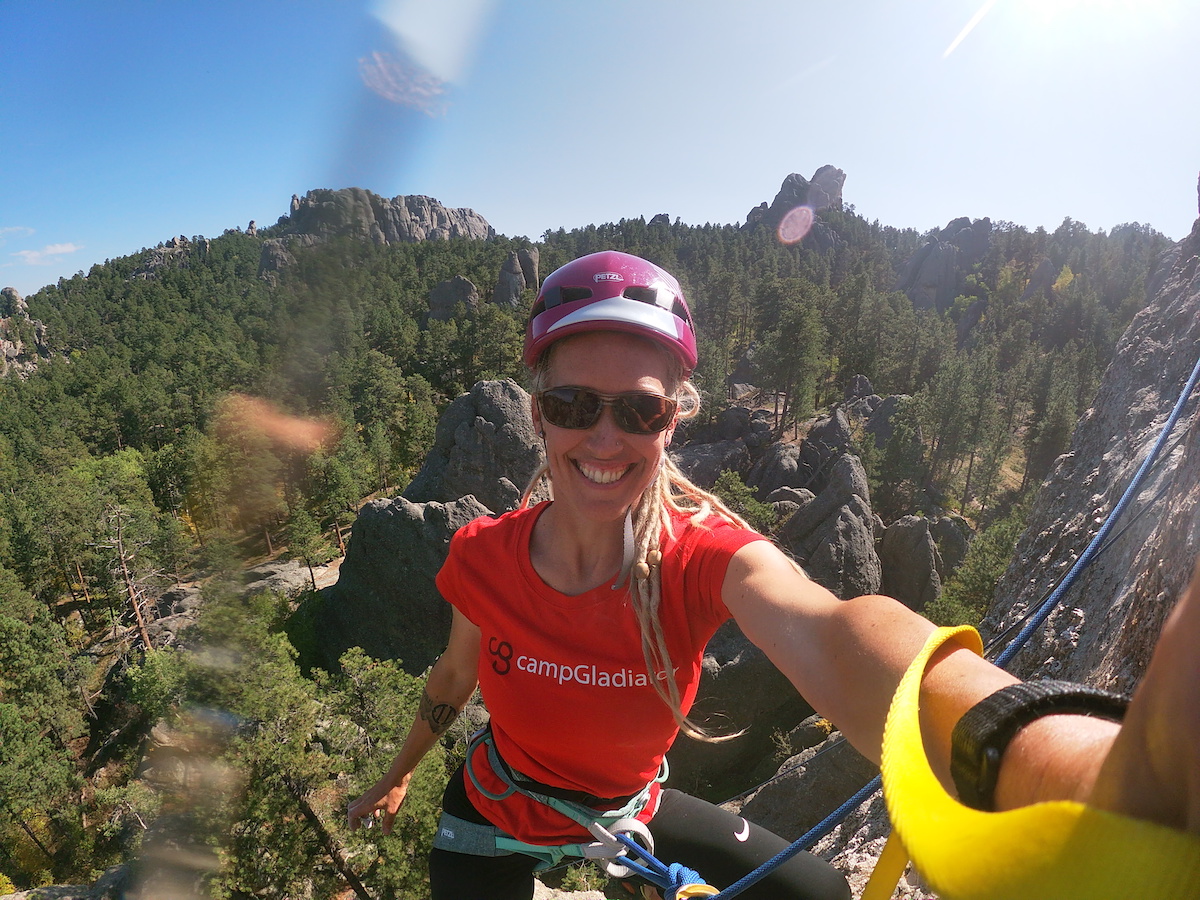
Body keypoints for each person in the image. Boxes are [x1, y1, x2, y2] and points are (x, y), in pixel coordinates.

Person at [348, 250, 1199, 899]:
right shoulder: (483, 556)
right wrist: (399, 772)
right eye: (574, 405)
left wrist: (1037, 754)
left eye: (641, 408)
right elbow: (453, 678)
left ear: (672, 422)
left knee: (817, 894)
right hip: (495, 812)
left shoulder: (698, 556)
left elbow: (832, 631)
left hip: (627, 811)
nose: (605, 437)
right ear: (538, 415)